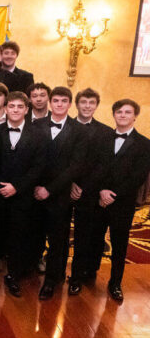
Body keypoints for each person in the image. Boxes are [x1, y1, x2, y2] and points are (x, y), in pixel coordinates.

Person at [75, 99, 150, 301]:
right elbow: (93, 167)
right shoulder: (101, 138)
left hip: (122, 202)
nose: (123, 115)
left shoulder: (144, 144)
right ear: (114, 115)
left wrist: (113, 193)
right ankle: (88, 272)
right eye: (119, 112)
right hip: (98, 199)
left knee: (119, 243)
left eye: (127, 112)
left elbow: (138, 176)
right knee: (93, 238)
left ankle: (115, 282)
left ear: (135, 116)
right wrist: (101, 191)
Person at [0, 91, 46, 297]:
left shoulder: (38, 135)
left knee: (19, 234)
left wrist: (18, 187)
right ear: (5, 109)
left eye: (19, 107)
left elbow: (39, 167)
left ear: (26, 110)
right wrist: (0, 186)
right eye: (11, 107)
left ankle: (13, 274)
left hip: (23, 195)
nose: (15, 110)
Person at [34, 87, 87, 301]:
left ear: (69, 104)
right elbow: (32, 158)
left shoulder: (79, 130)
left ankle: (52, 280)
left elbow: (75, 166)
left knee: (58, 239)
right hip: (36, 190)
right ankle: (30, 269)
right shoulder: (36, 125)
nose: (58, 104)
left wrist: (50, 189)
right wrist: (37, 187)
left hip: (60, 194)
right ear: (50, 102)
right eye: (55, 100)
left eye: (63, 101)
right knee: (34, 233)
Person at [69, 88, 113, 295]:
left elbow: (104, 165)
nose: (87, 106)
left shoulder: (105, 132)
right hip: (64, 188)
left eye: (91, 102)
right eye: (83, 102)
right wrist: (70, 183)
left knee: (85, 235)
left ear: (96, 105)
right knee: (60, 233)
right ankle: (59, 270)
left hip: (90, 191)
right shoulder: (66, 126)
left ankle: (80, 274)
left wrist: (83, 186)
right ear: (77, 104)